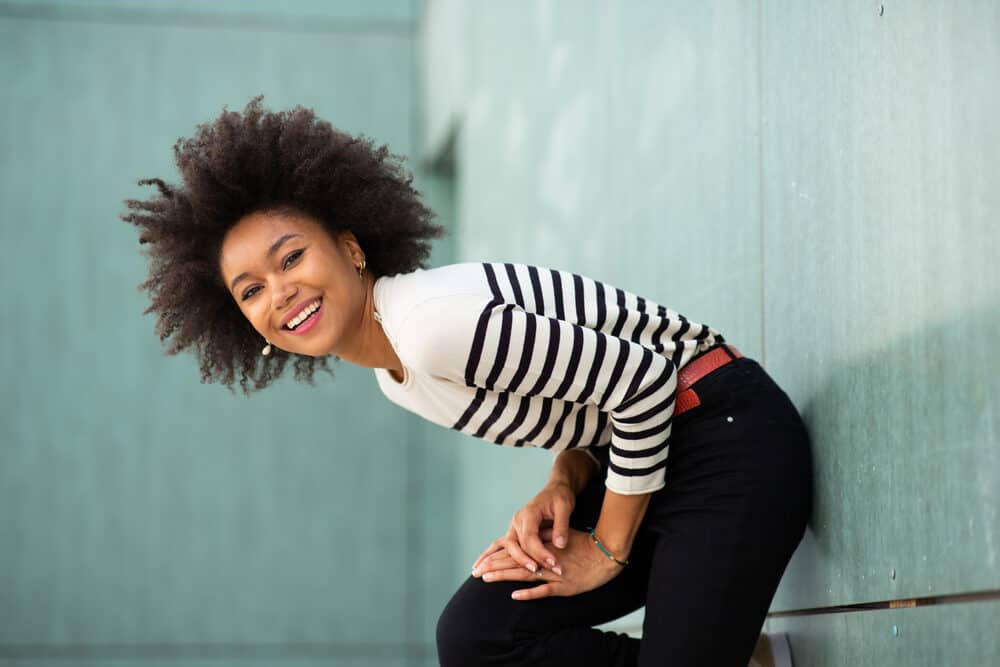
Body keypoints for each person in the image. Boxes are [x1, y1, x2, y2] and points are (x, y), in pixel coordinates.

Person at [122, 96, 813, 666]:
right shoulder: (394, 372)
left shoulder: (428, 326)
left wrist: (607, 547)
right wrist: (562, 485)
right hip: (653, 456)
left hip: (727, 438)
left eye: (292, 256)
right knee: (476, 638)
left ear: (353, 248)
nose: (280, 292)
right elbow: (593, 402)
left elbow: (641, 381)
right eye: (250, 290)